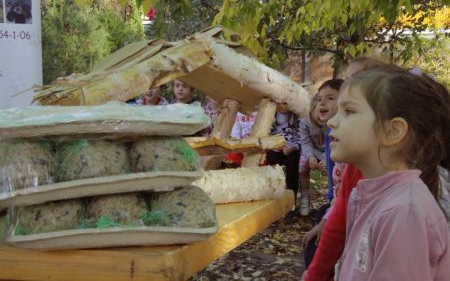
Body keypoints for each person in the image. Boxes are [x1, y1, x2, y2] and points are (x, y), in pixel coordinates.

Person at [330, 67, 450, 280]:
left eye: (348, 111)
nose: (332, 121)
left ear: (392, 131)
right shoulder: (370, 196)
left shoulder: (404, 212)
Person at [298, 93, 326, 216]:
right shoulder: (304, 121)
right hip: (312, 151)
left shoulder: (332, 121)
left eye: (324, 113)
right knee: (302, 167)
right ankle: (305, 196)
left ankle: (334, 197)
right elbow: (305, 141)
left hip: (330, 152)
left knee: (337, 168)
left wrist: (327, 158)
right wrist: (310, 156)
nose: (321, 117)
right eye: (319, 113)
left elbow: (336, 142)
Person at [266, 108, 301, 199]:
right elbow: (265, 135)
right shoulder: (270, 114)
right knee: (272, 165)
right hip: (274, 147)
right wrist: (273, 145)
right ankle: (273, 197)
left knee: (292, 168)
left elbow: (302, 136)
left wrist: (294, 147)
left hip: (292, 147)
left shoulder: (297, 115)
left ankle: (291, 200)